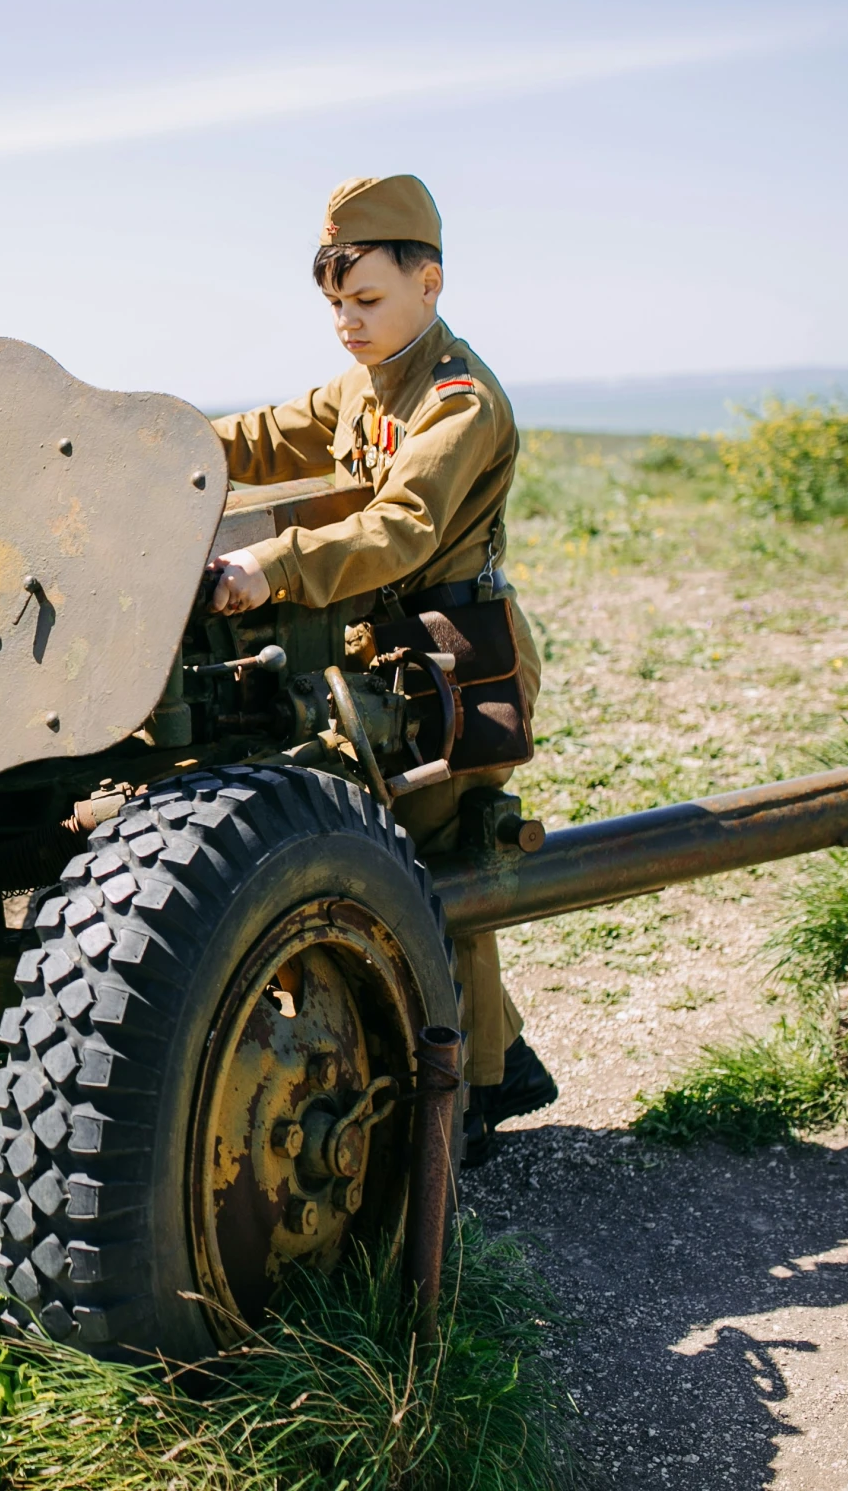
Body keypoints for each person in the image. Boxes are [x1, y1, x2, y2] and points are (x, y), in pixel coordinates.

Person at [202, 173, 556, 1163]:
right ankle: (506, 1059)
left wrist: (265, 567)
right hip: (388, 659)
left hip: (457, 661)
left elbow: (401, 528)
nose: (346, 326)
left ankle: (476, 1105)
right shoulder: (366, 382)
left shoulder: (457, 398)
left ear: (428, 282)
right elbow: (269, 436)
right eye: (334, 306)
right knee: (404, 859)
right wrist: (162, 450)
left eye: (365, 303)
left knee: (447, 871)